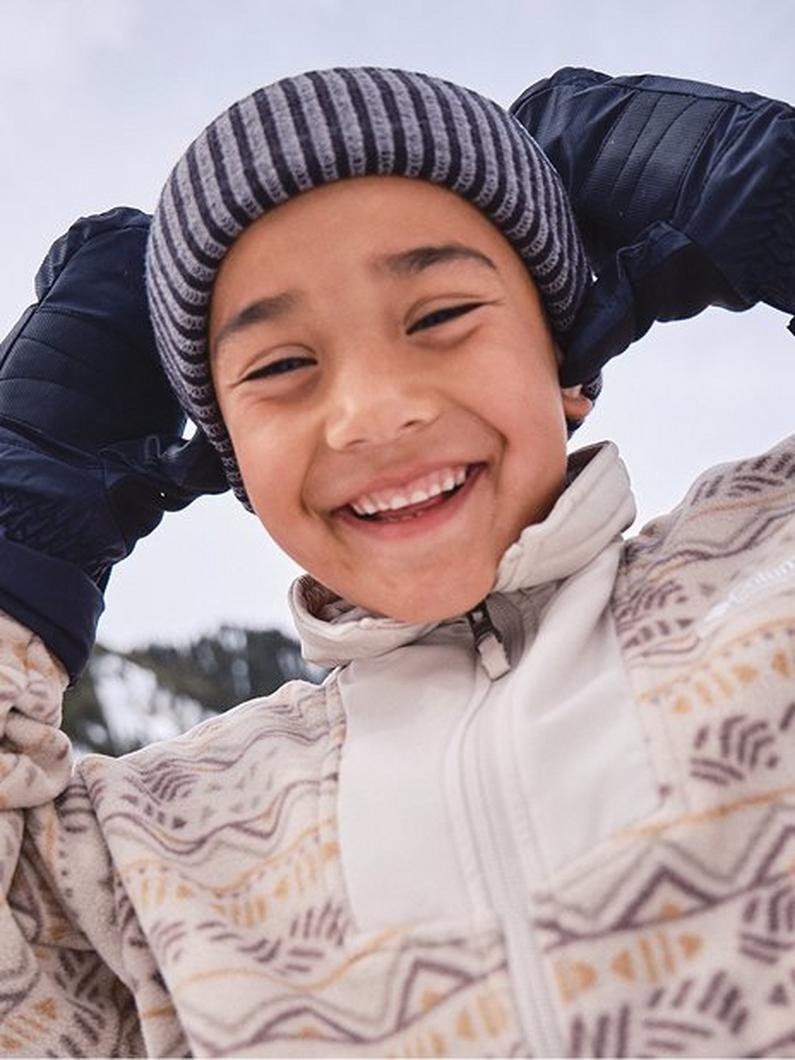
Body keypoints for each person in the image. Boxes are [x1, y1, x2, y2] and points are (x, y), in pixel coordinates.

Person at [0, 64, 792, 1058]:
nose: (374, 410)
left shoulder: (769, 567)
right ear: (235, 461)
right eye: (283, 366)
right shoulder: (158, 850)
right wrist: (18, 528)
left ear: (568, 362)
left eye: (439, 317)